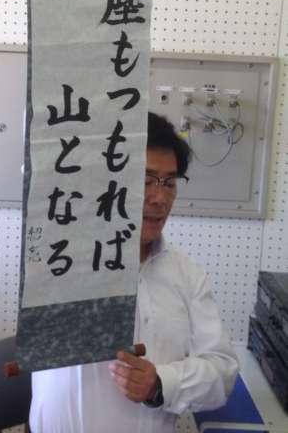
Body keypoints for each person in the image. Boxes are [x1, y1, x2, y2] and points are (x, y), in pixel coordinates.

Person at [29, 112, 239, 433]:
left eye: (169, 183)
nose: (160, 198)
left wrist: (161, 383)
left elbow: (221, 373)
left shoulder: (187, 274)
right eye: (144, 180)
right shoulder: (63, 259)